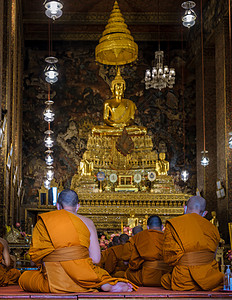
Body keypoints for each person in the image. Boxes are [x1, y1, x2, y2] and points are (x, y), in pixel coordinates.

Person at [19, 189, 136, 293]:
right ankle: (99, 283)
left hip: (53, 280)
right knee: (97, 275)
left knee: (24, 278)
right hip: (83, 276)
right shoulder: (88, 223)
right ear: (78, 206)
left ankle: (88, 282)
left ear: (58, 206)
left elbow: (35, 259)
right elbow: (96, 259)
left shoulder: (45, 221)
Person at [161, 196, 224, 291]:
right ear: (205, 213)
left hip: (183, 280)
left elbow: (168, 257)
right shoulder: (212, 228)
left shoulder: (174, 224)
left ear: (184, 208)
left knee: (164, 280)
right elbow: (213, 255)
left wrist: (187, 260)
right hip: (210, 279)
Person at [125, 215, 171, 286]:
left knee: (128, 273)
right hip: (167, 276)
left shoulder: (140, 237)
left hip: (147, 277)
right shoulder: (169, 237)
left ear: (148, 227)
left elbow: (134, 263)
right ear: (162, 227)